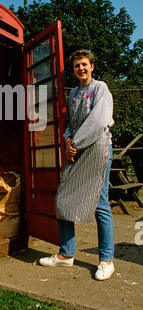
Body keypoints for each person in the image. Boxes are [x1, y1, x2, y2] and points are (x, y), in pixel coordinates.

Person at [39, 49, 115, 281]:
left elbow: (99, 121)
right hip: (77, 148)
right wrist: (68, 139)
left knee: (100, 203)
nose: (81, 69)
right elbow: (70, 122)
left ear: (92, 66)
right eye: (76, 66)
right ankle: (66, 254)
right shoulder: (73, 93)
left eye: (84, 64)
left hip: (97, 148)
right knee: (63, 199)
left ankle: (106, 260)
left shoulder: (100, 88)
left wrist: (77, 144)